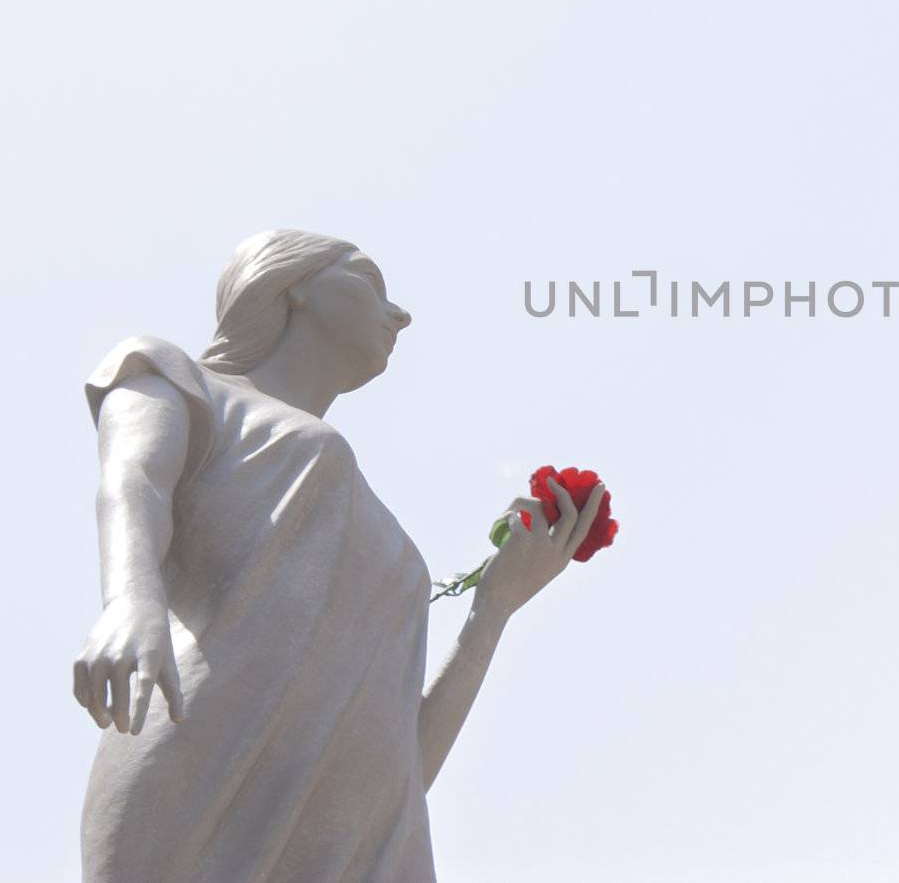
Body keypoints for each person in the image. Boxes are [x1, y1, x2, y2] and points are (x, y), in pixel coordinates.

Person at [70, 229, 607, 882]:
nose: (400, 313)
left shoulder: (389, 546)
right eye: (370, 283)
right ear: (289, 284)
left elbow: (399, 770)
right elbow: (134, 480)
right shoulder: (179, 379)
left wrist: (492, 610)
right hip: (205, 767)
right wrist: (132, 599)